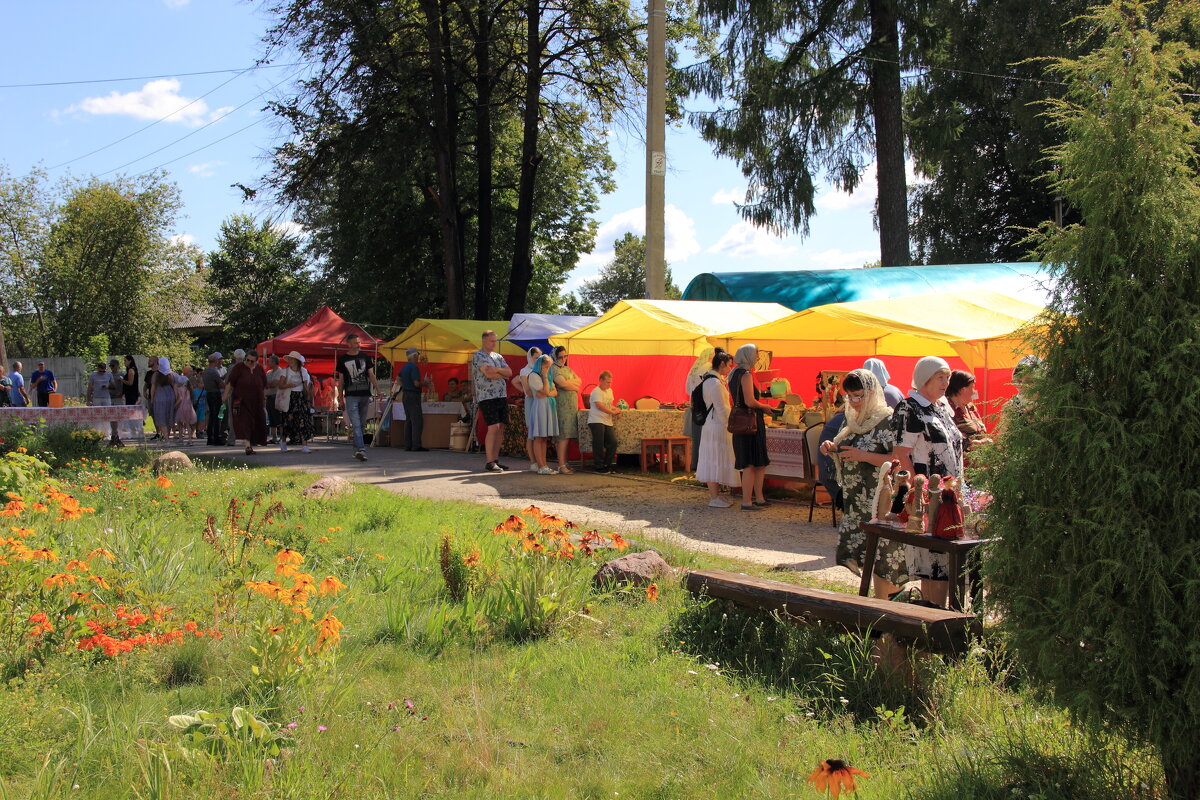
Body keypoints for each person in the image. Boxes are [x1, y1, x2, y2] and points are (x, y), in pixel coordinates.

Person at [820, 370, 906, 598]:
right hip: (855, 500)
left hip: (878, 500)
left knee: (881, 555)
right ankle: (877, 606)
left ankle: (886, 605)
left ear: (872, 393)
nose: (854, 402)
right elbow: (845, 446)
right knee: (861, 555)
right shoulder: (852, 418)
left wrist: (864, 456)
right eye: (849, 396)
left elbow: (897, 460)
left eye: (858, 396)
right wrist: (831, 448)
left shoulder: (888, 420)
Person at [892, 355, 965, 607]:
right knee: (932, 560)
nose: (946, 382)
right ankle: (931, 621)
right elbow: (902, 454)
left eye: (947, 377)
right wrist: (917, 497)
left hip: (949, 494)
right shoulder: (909, 407)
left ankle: (939, 621)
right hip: (928, 495)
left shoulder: (940, 407)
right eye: (939, 377)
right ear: (924, 378)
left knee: (945, 561)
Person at [730, 344, 772, 511]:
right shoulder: (745, 375)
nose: (758, 358)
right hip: (751, 421)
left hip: (744, 421)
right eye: (756, 355)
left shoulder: (734, 374)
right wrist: (764, 406)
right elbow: (749, 401)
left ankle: (759, 498)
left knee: (758, 462)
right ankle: (748, 501)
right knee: (750, 463)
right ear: (748, 356)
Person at [695, 350, 738, 507]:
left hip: (714, 424)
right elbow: (722, 408)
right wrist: (731, 422)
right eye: (728, 365)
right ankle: (714, 497)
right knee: (714, 459)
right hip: (716, 425)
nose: (729, 369)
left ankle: (717, 495)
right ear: (721, 364)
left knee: (716, 458)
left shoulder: (711, 380)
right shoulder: (714, 383)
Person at [471, 330, 513, 472]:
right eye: (492, 341)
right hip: (487, 396)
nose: (494, 343)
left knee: (501, 427)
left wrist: (497, 370)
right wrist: (500, 373)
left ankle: (495, 459)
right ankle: (489, 461)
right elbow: (489, 374)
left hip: (501, 395)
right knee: (493, 427)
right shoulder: (478, 356)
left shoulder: (498, 356)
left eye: (495, 341)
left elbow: (510, 372)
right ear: (484, 341)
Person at [338, 334, 381, 460]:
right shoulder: (343, 359)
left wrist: (378, 390)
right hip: (351, 396)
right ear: (349, 344)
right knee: (356, 424)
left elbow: (371, 375)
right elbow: (340, 381)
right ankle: (361, 450)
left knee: (362, 424)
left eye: (359, 342)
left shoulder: (365, 357)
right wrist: (340, 398)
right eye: (356, 342)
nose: (359, 344)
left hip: (365, 395)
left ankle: (356, 450)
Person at [226, 351, 268, 454]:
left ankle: (251, 443)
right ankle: (247, 446)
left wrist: (264, 398)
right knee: (244, 422)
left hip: (256, 401)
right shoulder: (239, 368)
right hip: (241, 400)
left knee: (256, 422)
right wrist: (225, 395)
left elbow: (264, 385)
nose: (249, 362)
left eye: (251, 361)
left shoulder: (259, 369)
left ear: (256, 361)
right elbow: (230, 382)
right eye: (247, 360)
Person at [946, 369, 991, 467]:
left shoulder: (970, 407)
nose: (974, 392)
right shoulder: (948, 410)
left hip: (979, 467)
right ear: (963, 389)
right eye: (972, 388)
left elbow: (981, 431)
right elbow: (952, 439)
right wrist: (978, 443)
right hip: (961, 468)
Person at [526, 354, 560, 474]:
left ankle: (544, 465)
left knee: (544, 438)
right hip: (540, 407)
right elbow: (545, 391)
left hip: (548, 406)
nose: (548, 369)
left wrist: (547, 393)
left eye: (549, 367)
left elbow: (555, 392)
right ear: (541, 365)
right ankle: (541, 466)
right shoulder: (534, 376)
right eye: (546, 366)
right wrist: (545, 378)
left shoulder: (548, 376)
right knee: (539, 437)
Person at [276, 351, 314, 454]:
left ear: (297, 361)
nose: (291, 361)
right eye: (290, 359)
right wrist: (289, 385)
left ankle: (304, 445)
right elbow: (280, 385)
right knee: (287, 421)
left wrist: (309, 400)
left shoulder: (304, 371)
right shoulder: (285, 371)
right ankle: (283, 442)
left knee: (303, 420)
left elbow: (306, 387)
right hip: (289, 397)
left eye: (293, 359)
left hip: (300, 397)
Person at [551, 346, 582, 474]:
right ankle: (561, 465)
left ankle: (565, 462)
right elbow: (561, 384)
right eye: (560, 357)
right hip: (561, 406)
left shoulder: (567, 369)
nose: (563, 359)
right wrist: (571, 385)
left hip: (571, 407)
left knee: (568, 435)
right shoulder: (553, 368)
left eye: (565, 356)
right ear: (555, 357)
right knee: (562, 435)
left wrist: (569, 384)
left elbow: (579, 381)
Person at [683, 347, 714, 473]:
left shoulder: (694, 368)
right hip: (705, 405)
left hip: (695, 405)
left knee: (697, 438)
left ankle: (695, 464)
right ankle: (704, 467)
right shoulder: (708, 367)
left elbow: (688, 389)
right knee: (705, 438)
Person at [587, 370, 621, 472]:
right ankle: (598, 465)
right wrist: (612, 412)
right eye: (607, 382)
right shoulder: (596, 391)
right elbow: (600, 405)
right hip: (596, 420)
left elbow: (609, 405)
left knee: (613, 442)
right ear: (601, 380)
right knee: (599, 442)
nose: (609, 384)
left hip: (607, 420)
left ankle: (607, 464)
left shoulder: (610, 391)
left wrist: (617, 410)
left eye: (611, 382)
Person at [514, 347, 542, 471]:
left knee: (541, 433)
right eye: (536, 358)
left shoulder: (541, 370)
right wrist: (526, 393)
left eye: (540, 358)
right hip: (532, 401)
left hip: (541, 401)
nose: (538, 361)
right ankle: (533, 462)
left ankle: (541, 461)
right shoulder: (525, 371)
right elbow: (528, 391)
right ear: (530, 357)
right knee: (531, 433)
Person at [397, 346, 427, 453]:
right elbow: (416, 383)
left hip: (406, 394)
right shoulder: (414, 367)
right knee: (417, 420)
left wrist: (404, 386)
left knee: (408, 420)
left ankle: (408, 445)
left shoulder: (405, 367)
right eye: (417, 356)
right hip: (413, 395)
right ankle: (416, 445)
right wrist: (425, 383)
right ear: (414, 356)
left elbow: (398, 378)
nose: (418, 357)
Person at [85, 361, 116, 442]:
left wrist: (108, 385)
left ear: (105, 369)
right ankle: (96, 433)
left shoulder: (109, 375)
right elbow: (90, 388)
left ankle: (107, 434)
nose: (102, 372)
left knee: (107, 416)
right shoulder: (93, 375)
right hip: (96, 397)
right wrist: (88, 399)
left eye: (103, 371)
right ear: (98, 369)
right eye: (100, 371)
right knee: (96, 416)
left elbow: (114, 385)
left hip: (106, 397)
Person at [150, 358, 176, 440]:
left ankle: (166, 438)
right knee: (169, 417)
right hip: (170, 396)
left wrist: (152, 398)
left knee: (161, 418)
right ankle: (167, 436)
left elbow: (153, 387)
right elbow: (174, 387)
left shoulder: (156, 375)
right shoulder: (171, 375)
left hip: (159, 397)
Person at [202, 353, 225, 445]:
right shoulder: (214, 372)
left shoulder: (205, 372)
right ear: (215, 361)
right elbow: (220, 384)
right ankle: (215, 437)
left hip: (209, 394)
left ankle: (210, 437)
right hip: (215, 394)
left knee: (211, 416)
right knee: (216, 417)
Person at [173, 366, 197, 446]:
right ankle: (190, 439)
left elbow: (179, 399)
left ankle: (181, 439)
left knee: (180, 424)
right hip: (189, 407)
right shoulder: (189, 389)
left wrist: (174, 406)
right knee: (188, 424)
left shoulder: (179, 389)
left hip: (181, 407)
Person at [264, 354, 283, 443]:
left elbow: (274, 383)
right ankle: (274, 437)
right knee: (271, 417)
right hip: (269, 397)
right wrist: (268, 384)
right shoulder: (268, 372)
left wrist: (269, 383)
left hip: (277, 396)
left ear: (275, 362)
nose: (268, 363)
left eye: (270, 361)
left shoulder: (280, 372)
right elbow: (264, 383)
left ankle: (282, 437)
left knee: (278, 417)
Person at [120, 355, 141, 440]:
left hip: (132, 394)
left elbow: (130, 383)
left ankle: (134, 430)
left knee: (132, 412)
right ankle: (133, 430)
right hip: (129, 394)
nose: (124, 362)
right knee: (130, 412)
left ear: (130, 361)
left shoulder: (131, 370)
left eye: (125, 361)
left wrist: (121, 380)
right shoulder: (129, 370)